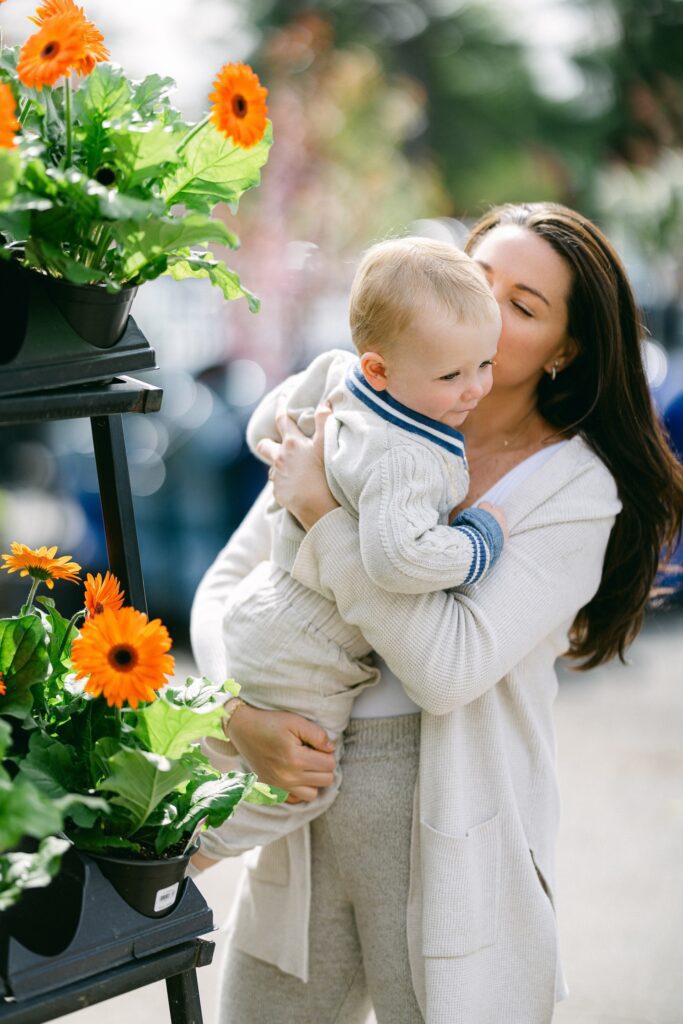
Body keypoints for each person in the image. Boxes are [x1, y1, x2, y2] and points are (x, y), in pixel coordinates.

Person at [190, 202, 683, 1024]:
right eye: (476, 277)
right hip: (301, 810)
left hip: (452, 834)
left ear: (565, 350)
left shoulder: (571, 489)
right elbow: (223, 589)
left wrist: (324, 519)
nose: (483, 308)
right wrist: (237, 716)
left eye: (521, 307)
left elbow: (445, 668)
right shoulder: (352, 402)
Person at [190, 238, 507, 862]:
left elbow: (264, 432)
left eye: (485, 365)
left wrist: (309, 455)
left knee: (222, 754)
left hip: (262, 605)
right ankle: (178, 859)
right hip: (310, 649)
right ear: (381, 368)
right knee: (303, 786)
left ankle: (151, 834)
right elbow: (401, 561)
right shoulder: (412, 458)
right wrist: (477, 544)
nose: (474, 390)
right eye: (451, 376)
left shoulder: (336, 373)